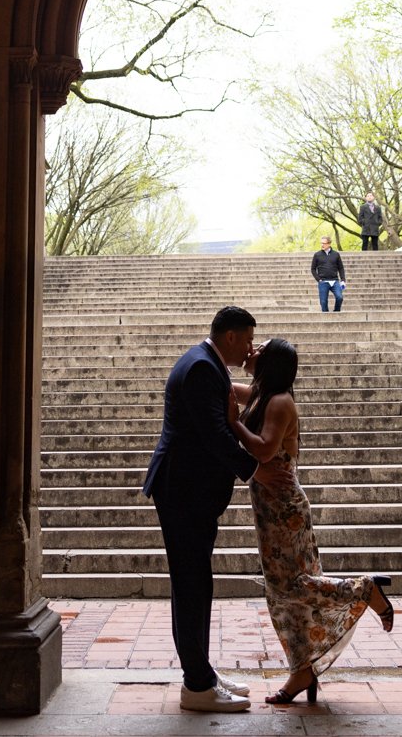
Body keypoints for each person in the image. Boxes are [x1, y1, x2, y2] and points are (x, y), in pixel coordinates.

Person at [230, 338, 395, 704]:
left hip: (284, 511)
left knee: (290, 587)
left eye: (259, 347)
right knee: (284, 593)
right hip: (270, 508)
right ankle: (301, 673)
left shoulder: (279, 401)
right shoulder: (261, 393)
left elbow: (264, 449)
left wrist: (232, 424)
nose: (252, 348)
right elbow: (225, 389)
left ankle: (363, 590)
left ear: (271, 362)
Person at [141, 305, 262, 713]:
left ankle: (202, 673)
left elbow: (230, 411)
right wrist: (255, 470)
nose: (248, 349)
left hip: (189, 492)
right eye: (246, 340)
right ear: (230, 337)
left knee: (196, 583)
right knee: (191, 585)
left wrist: (263, 374)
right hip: (182, 491)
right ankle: (196, 684)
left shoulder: (207, 363)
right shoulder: (200, 369)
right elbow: (214, 434)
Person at [311, 235, 345, 312]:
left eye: (324, 243)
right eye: (321, 243)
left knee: (340, 297)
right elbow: (313, 269)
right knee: (323, 303)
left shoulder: (336, 254)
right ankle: (326, 318)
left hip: (335, 281)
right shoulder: (317, 255)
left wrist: (343, 280)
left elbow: (341, 268)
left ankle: (336, 312)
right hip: (323, 282)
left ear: (329, 244)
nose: (322, 245)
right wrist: (319, 279)